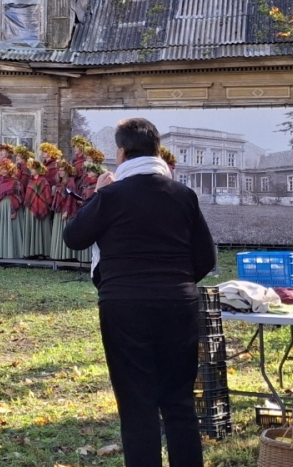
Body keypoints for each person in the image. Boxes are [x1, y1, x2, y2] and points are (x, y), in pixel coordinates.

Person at [63, 117, 216, 467]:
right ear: (156, 151)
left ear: (121, 153)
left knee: (137, 404)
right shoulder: (184, 195)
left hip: (124, 305)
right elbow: (205, 258)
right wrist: (173, 283)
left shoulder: (111, 195)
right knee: (179, 402)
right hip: (178, 302)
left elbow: (74, 238)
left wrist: (98, 196)